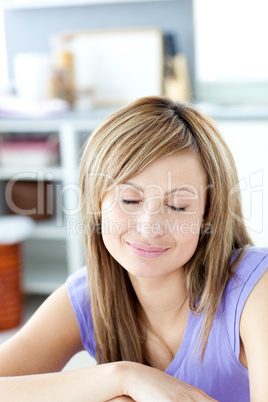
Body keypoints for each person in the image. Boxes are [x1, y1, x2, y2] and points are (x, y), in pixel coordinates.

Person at [0, 96, 267, 401]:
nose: (149, 227)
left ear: (207, 214)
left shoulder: (255, 288)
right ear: (97, 203)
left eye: (178, 206)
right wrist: (122, 375)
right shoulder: (89, 296)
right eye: (130, 200)